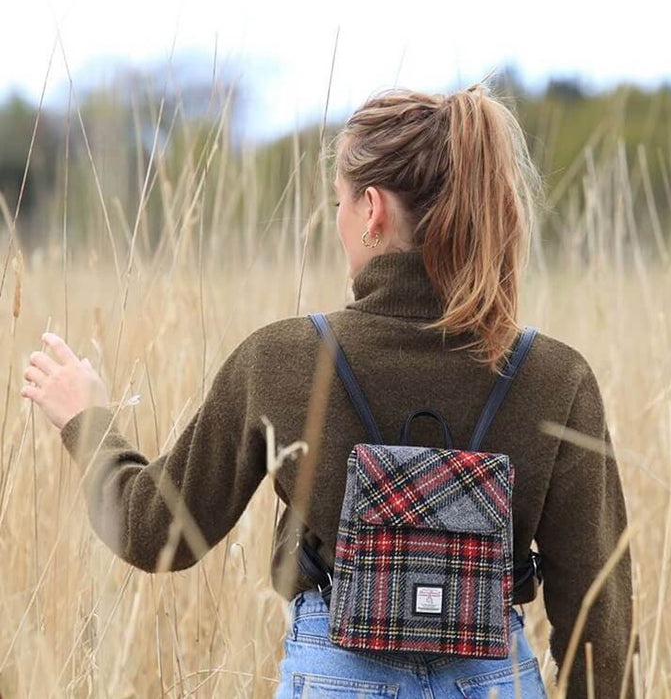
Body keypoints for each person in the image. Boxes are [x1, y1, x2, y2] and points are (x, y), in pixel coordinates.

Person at [21, 81, 635, 698]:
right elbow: (598, 613)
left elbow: (158, 533)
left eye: (338, 202)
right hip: (497, 681)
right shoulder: (557, 376)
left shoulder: (282, 358)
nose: (335, 220)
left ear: (371, 210)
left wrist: (87, 422)